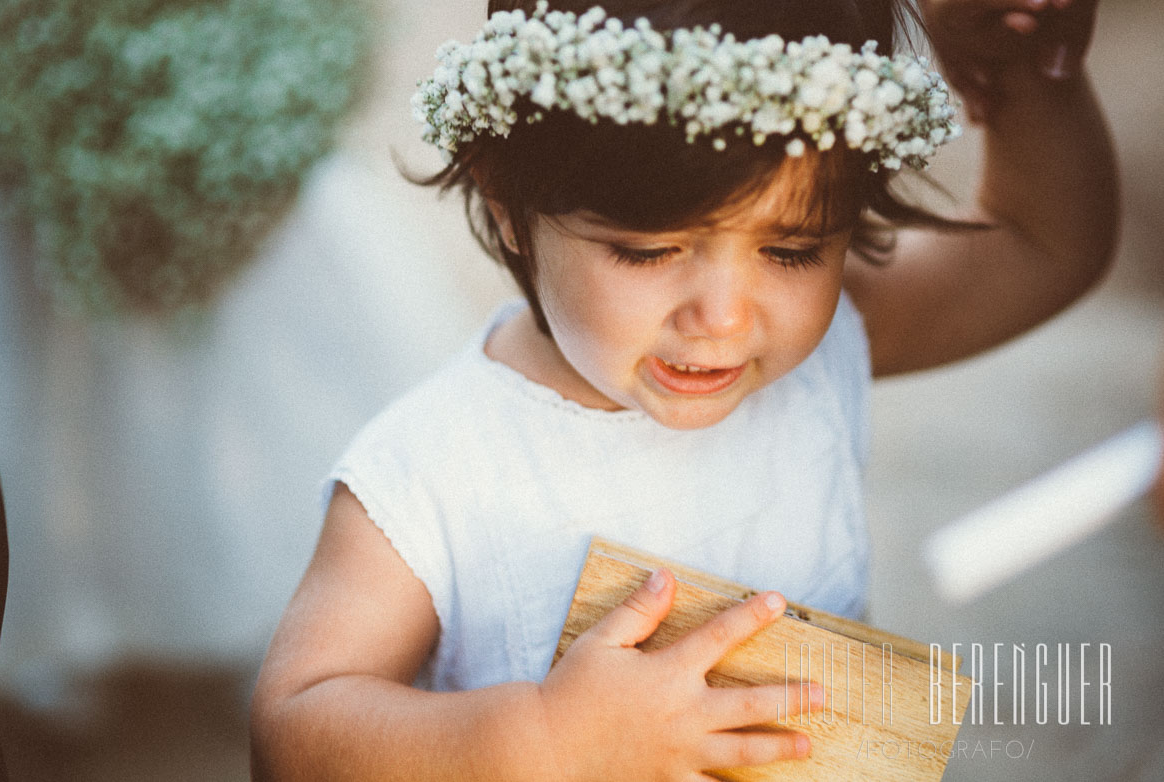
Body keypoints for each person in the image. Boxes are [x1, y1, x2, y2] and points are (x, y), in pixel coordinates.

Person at [251, 0, 1117, 778]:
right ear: (509, 203)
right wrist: (541, 739)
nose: (723, 318)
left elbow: (1045, 247)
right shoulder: (434, 467)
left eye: (791, 250)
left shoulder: (822, 349)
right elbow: (292, 729)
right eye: (648, 249)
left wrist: (1012, 69)